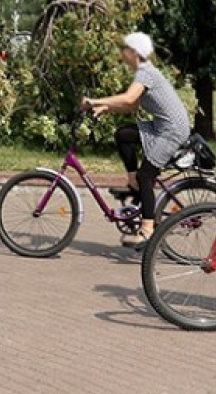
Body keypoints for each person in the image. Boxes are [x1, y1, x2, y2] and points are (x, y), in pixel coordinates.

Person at [82, 33, 191, 247]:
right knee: (124, 134)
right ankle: (133, 182)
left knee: (146, 176)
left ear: (134, 53)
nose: (122, 53)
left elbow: (129, 98)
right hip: (162, 126)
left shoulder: (145, 72)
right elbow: (133, 105)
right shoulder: (144, 72)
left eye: (125, 49)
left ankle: (147, 229)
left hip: (172, 131)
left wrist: (94, 100)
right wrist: (106, 107)